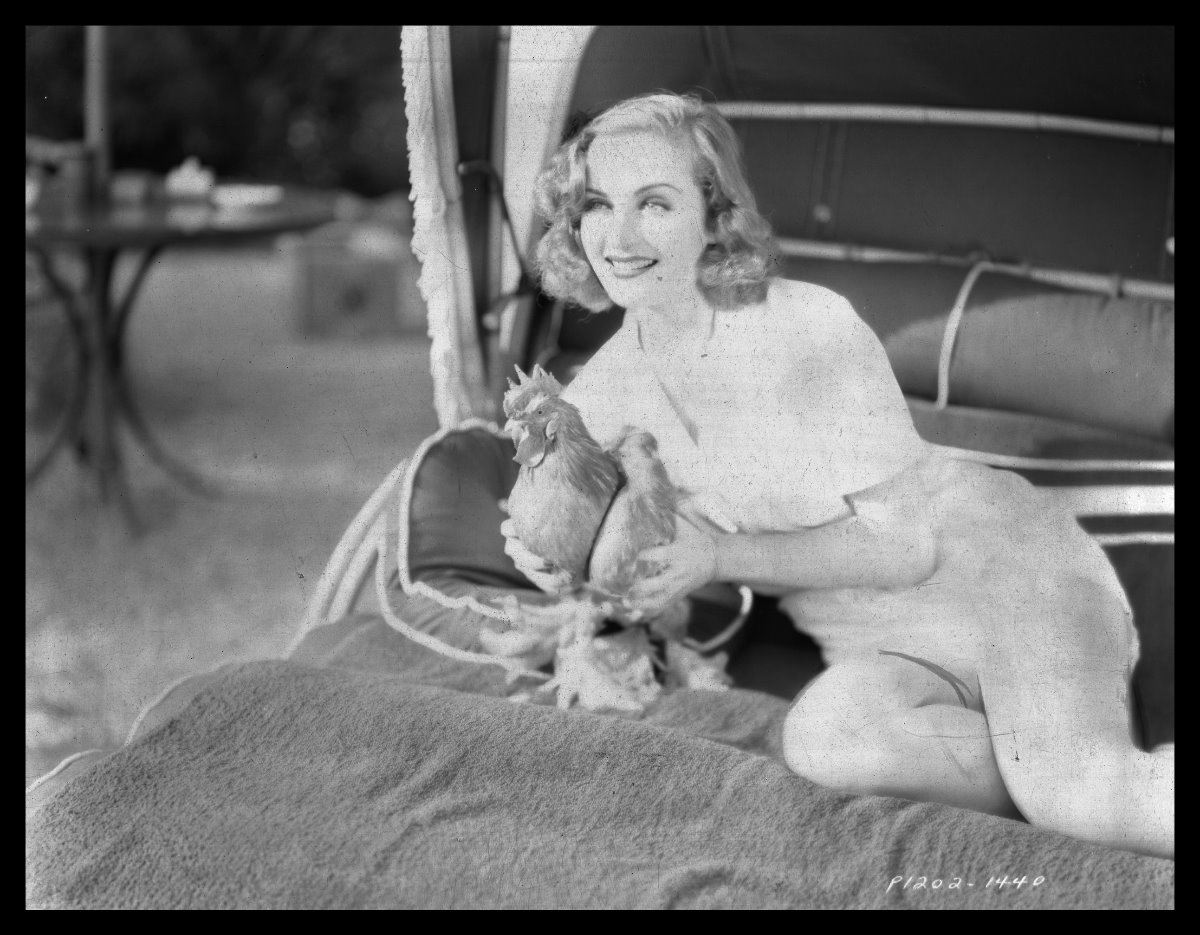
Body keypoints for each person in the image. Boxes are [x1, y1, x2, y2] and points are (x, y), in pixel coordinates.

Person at [504, 91, 1173, 859]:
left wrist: (719, 556)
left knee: (1079, 798)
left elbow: (904, 548)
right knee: (823, 744)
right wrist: (556, 557)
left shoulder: (807, 327)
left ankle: (1069, 772)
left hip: (1002, 570)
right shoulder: (599, 395)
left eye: (654, 203)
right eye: (597, 204)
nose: (618, 237)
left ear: (713, 216)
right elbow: (615, 551)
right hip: (884, 645)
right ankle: (1044, 761)